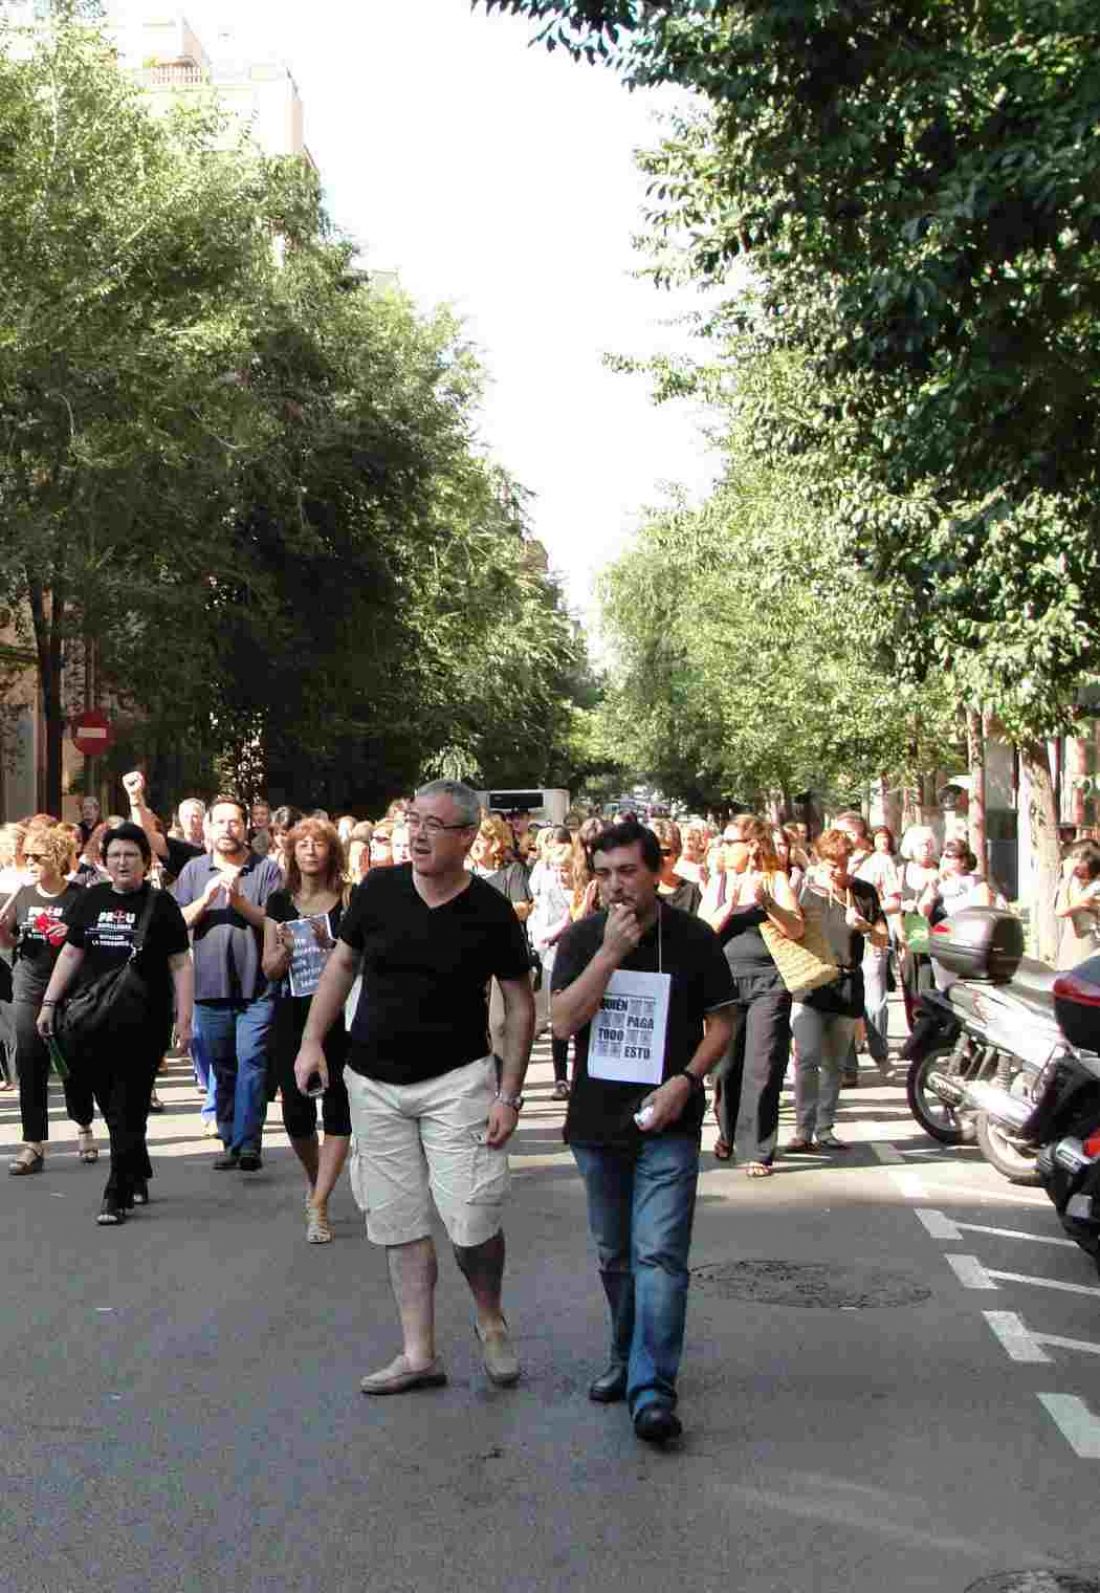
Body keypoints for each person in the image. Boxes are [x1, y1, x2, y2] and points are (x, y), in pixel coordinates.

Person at [293, 779, 535, 1397]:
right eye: (414, 820)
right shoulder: (377, 890)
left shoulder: (489, 910)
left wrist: (508, 1093)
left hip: (459, 1081)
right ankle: (418, 1353)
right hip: (374, 1081)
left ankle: (489, 1316)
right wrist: (312, 1040)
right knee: (396, 1220)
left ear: (468, 837)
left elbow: (519, 1003)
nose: (419, 834)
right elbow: (342, 966)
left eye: (435, 825)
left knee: (472, 1218)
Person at [550, 819, 734, 1445]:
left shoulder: (694, 939)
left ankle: (653, 1389)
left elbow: (721, 1026)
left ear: (657, 872)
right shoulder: (580, 940)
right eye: (602, 874)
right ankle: (625, 1354)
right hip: (598, 1125)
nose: (616, 886)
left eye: (627, 871)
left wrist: (685, 1080)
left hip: (669, 1121)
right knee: (615, 1254)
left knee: (658, 1253)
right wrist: (607, 953)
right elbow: (563, 1024)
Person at [36, 823, 193, 1224]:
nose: (123, 862)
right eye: (116, 855)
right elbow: (71, 953)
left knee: (131, 1102)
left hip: (145, 1021)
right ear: (105, 862)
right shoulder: (91, 899)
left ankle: (116, 1191)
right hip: (92, 1019)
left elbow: (180, 963)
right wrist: (50, 1002)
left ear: (145, 862)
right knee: (110, 1103)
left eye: (131, 855)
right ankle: (136, 1165)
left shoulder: (161, 905)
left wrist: (185, 1018)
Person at [173, 796, 282, 1171]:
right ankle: (231, 1139)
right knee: (223, 1067)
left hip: (258, 987)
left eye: (235, 822)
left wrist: (237, 901)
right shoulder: (193, 871)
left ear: (246, 826)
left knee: (252, 1062)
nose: (227, 829)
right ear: (207, 827)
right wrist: (206, 899)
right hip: (209, 987)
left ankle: (249, 1143)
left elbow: (274, 921)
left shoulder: (266, 870)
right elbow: (177, 922)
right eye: (220, 822)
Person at [262, 817, 351, 1243]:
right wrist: (285, 950)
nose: (311, 850)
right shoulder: (279, 904)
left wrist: (337, 950)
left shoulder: (349, 900)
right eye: (303, 844)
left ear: (332, 851)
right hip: (291, 1015)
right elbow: (268, 967)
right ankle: (317, 1180)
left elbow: (367, 959)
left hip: (342, 1017)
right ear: (292, 854)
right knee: (296, 1114)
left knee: (338, 1108)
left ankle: (318, 1204)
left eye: (319, 844)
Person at [702, 817, 804, 1174]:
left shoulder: (774, 879)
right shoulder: (718, 882)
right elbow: (702, 934)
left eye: (731, 842)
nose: (725, 848)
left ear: (752, 844)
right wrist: (728, 907)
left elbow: (796, 928)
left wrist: (768, 905)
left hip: (769, 984)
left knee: (762, 1067)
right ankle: (728, 1133)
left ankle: (758, 1149)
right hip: (725, 985)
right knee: (726, 1069)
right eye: (724, 842)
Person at [1, 825, 97, 1174]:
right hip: (27, 985)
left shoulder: (78, 896)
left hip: (69, 988)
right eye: (25, 856)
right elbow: (11, 941)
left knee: (73, 1062)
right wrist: (2, 930)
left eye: (36, 857)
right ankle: (33, 1143)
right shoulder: (22, 894)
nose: (28, 862)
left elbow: (89, 943)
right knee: (30, 1063)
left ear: (55, 859)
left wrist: (68, 935)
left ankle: (84, 1124)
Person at [788, 829, 889, 1152]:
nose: (840, 871)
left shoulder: (863, 893)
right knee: (806, 1058)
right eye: (833, 865)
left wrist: (865, 927)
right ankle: (802, 1130)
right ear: (821, 860)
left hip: (847, 983)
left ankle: (825, 1128)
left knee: (834, 1064)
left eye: (845, 864)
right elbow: (790, 933)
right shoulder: (808, 892)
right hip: (811, 983)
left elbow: (883, 939)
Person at [528, 837, 575, 1096]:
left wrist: (558, 929)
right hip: (552, 957)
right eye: (556, 869)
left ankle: (577, 1075)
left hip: (575, 958)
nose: (560, 875)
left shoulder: (582, 890)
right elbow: (539, 918)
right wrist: (542, 934)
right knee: (558, 1017)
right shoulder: (548, 890)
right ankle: (560, 1078)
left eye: (565, 869)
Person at [1056, 840, 1100, 969]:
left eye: (1075, 859)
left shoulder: (1095, 888)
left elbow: (1061, 911)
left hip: (1087, 946)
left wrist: (1068, 875)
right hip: (1075, 946)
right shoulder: (1078, 884)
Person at [652, 820, 702, 915]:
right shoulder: (643, 891)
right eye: (653, 851)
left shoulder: (692, 892)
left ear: (677, 853)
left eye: (664, 853)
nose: (658, 857)